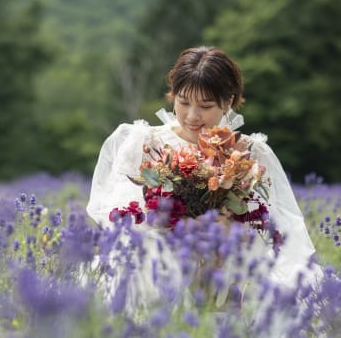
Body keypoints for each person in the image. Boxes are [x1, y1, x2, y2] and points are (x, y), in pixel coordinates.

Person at [86, 46, 322, 312]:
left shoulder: (249, 152)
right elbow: (119, 216)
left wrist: (231, 227)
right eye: (183, 102)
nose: (192, 116)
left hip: (227, 258)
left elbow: (273, 224)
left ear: (229, 101)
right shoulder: (147, 142)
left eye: (206, 106)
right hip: (161, 255)